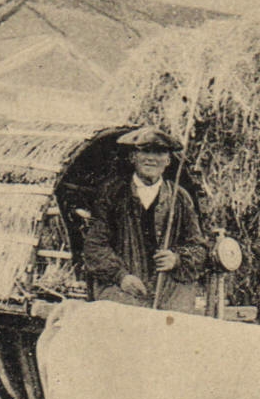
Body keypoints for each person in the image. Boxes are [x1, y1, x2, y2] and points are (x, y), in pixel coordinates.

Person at [81, 126, 209, 314]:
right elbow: (95, 246)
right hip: (124, 286)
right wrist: (121, 276)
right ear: (133, 157)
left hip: (170, 289)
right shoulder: (112, 193)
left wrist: (176, 259)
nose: (151, 158)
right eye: (145, 151)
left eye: (159, 153)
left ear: (167, 160)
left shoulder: (180, 198)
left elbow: (199, 249)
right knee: (123, 321)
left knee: (175, 329)